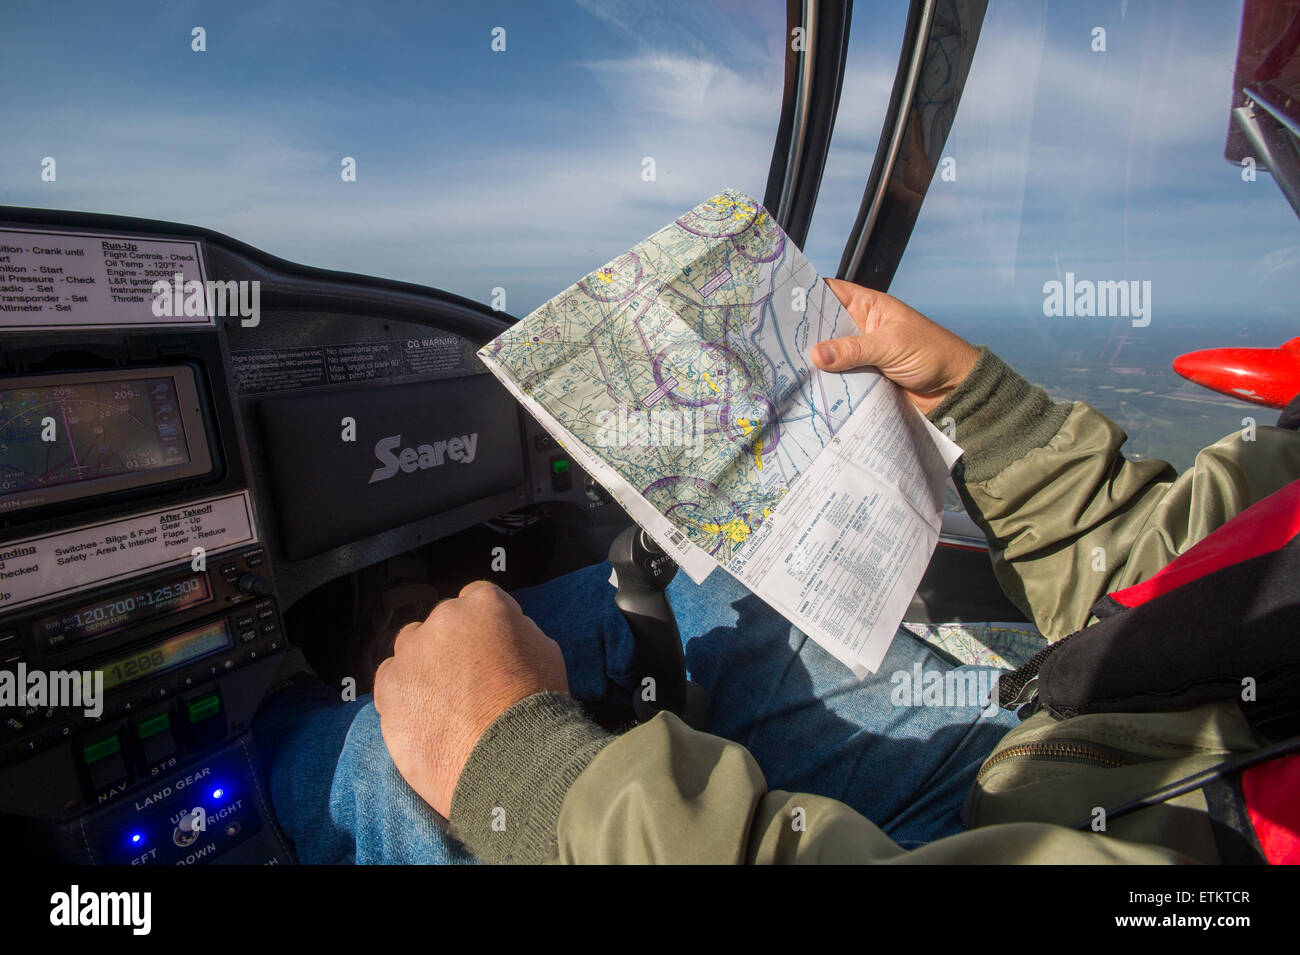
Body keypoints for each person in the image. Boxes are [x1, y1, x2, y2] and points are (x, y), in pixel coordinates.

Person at [252, 281, 1300, 864]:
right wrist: (988, 410)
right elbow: (1203, 579)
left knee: (406, 779)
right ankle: (395, 644)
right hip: (1103, 766)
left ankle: (270, 740)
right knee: (714, 603)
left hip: (1123, 839)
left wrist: (525, 773)